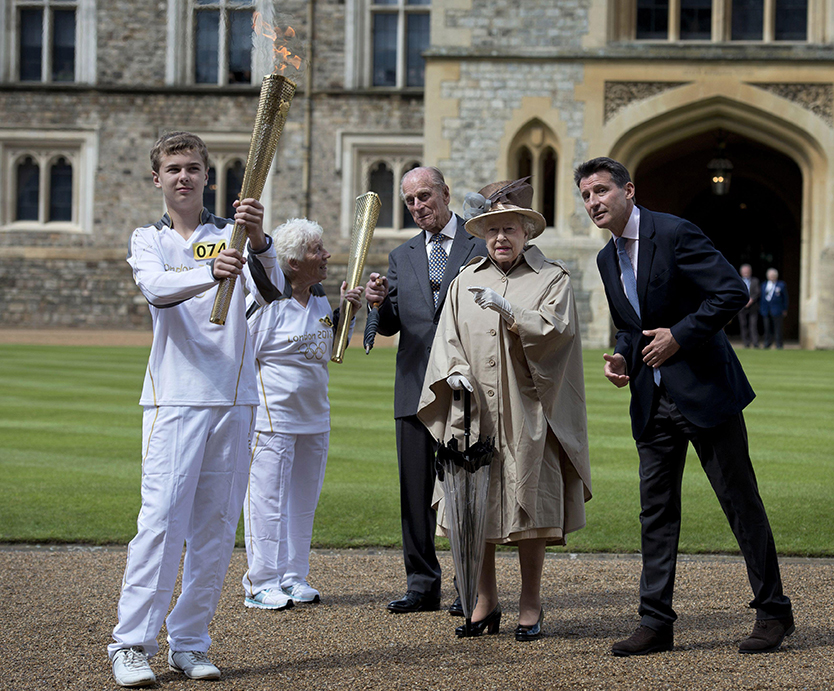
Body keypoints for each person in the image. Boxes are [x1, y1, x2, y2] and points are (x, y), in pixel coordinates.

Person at [575, 156, 793, 657]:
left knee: (740, 503)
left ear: (629, 191)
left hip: (706, 393)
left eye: (601, 191)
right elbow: (631, 327)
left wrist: (680, 336)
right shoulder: (606, 260)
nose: (593, 203)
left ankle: (774, 612)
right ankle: (656, 622)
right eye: (586, 196)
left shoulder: (674, 233)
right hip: (651, 401)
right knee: (655, 513)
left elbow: (731, 292)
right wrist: (622, 360)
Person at [109, 132, 281, 687]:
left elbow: (273, 292)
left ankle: (189, 641)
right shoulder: (148, 239)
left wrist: (258, 241)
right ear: (157, 178)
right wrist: (212, 272)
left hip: (234, 396)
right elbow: (156, 289)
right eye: (173, 168)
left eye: (193, 168)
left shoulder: (228, 234)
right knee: (160, 522)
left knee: (214, 527)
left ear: (209, 176)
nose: (183, 177)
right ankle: (132, 644)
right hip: (175, 397)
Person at [417, 178, 592, 641]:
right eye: (492, 228)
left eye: (509, 228)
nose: (500, 237)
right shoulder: (464, 280)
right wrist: (452, 370)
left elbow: (558, 334)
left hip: (527, 411)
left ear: (526, 232)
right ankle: (484, 600)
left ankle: (531, 604)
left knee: (529, 509)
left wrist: (510, 310)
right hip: (472, 414)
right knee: (476, 508)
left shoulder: (551, 278)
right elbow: (448, 339)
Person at [364, 167, 487, 614]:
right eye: (410, 201)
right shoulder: (402, 255)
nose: (418, 206)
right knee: (414, 491)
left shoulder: (480, 244)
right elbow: (394, 323)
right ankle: (421, 584)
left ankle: (468, 585)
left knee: (463, 490)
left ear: (445, 194)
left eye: (424, 196)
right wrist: (379, 303)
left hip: (465, 385)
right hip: (413, 384)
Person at [242, 218, 362, 610]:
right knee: (267, 500)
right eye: (317, 251)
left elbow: (326, 350)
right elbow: (242, 356)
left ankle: (293, 575)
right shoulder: (267, 302)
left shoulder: (321, 299)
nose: (326, 255)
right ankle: (261, 581)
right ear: (293, 262)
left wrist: (350, 311)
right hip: (273, 419)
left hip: (315, 417)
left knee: (303, 502)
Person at [760, 268, 788, 349]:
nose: (772, 277)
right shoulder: (764, 285)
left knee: (778, 328)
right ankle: (767, 343)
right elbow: (761, 298)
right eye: (770, 275)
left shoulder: (781, 285)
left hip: (777, 310)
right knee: (767, 328)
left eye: (773, 275)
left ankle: (779, 344)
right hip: (766, 310)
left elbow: (785, 298)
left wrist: (785, 309)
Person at [738, 264, 760, 348]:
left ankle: (755, 343)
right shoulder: (738, 280)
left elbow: (757, 292)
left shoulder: (755, 281)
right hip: (741, 307)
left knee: (753, 325)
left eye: (747, 271)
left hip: (753, 307)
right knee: (743, 325)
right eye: (744, 272)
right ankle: (746, 343)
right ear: (741, 272)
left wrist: (751, 300)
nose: (746, 273)